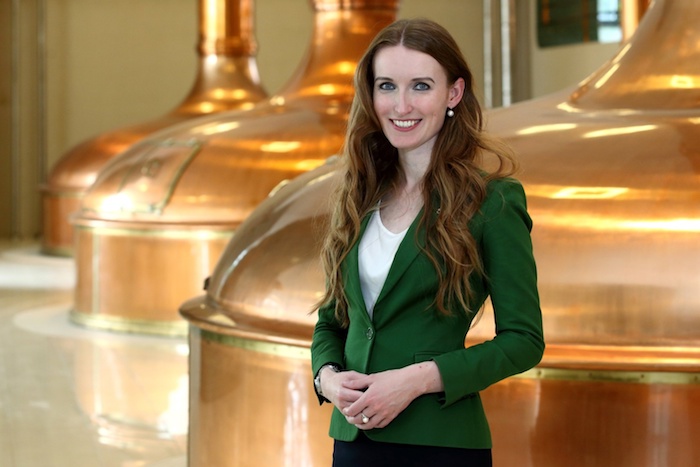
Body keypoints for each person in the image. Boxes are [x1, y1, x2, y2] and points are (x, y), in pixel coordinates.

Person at [310, 18, 544, 467]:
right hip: (353, 443)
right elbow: (332, 321)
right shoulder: (359, 194)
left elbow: (523, 340)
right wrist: (328, 378)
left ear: (453, 93)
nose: (401, 105)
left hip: (441, 444)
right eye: (386, 86)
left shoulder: (492, 202)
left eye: (420, 86)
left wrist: (416, 380)